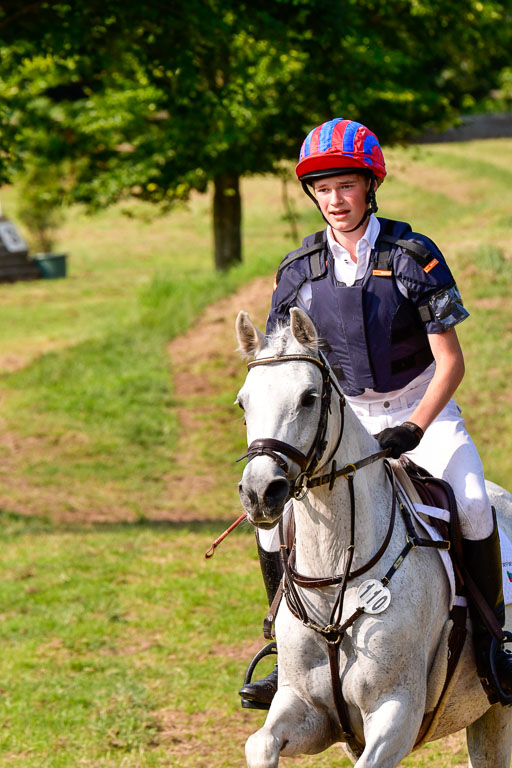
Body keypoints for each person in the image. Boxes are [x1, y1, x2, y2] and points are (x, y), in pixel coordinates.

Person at [238, 117, 512, 709]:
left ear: (369, 185)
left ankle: (496, 647)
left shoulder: (414, 257)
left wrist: (415, 427)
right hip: (342, 422)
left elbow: (450, 361)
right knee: (274, 523)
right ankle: (281, 651)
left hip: (423, 409)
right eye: (322, 188)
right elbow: (281, 363)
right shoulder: (297, 271)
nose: (334, 201)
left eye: (346, 186)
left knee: (469, 500)